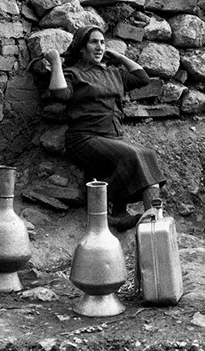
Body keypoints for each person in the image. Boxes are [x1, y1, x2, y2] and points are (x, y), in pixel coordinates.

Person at [46, 25, 166, 231]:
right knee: (133, 155)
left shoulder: (113, 73)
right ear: (81, 48)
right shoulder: (74, 73)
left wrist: (118, 56)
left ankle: (154, 221)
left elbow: (143, 79)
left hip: (113, 136)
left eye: (102, 42)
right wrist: (56, 61)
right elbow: (60, 93)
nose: (100, 47)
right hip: (84, 138)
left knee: (148, 154)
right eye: (94, 42)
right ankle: (112, 211)